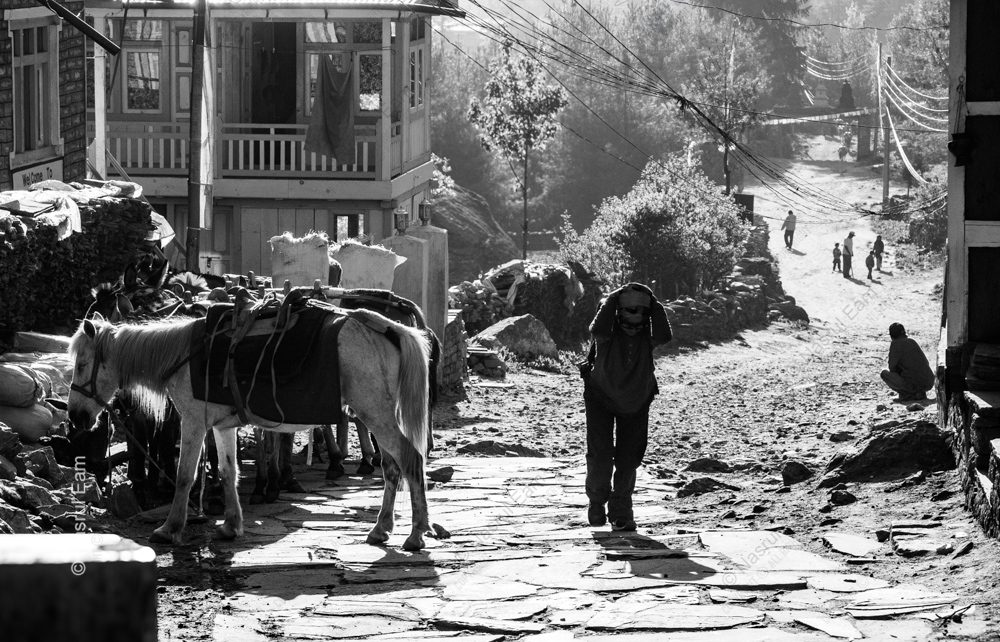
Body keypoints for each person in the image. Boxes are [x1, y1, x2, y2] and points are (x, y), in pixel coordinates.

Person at [582, 282, 671, 532]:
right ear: (618, 311)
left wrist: (653, 302)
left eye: (642, 311)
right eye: (630, 310)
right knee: (600, 455)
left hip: (637, 399)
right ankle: (597, 502)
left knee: (629, 459)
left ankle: (621, 511)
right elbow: (596, 328)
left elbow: (665, 335)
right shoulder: (607, 333)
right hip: (600, 397)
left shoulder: (647, 336)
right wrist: (614, 297)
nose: (636, 316)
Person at [880, 323, 935, 402]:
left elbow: (892, 367)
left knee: (884, 373)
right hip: (928, 383)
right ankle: (920, 393)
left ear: (891, 335)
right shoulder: (912, 342)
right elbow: (924, 362)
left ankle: (908, 395)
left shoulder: (895, 344)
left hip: (912, 385)